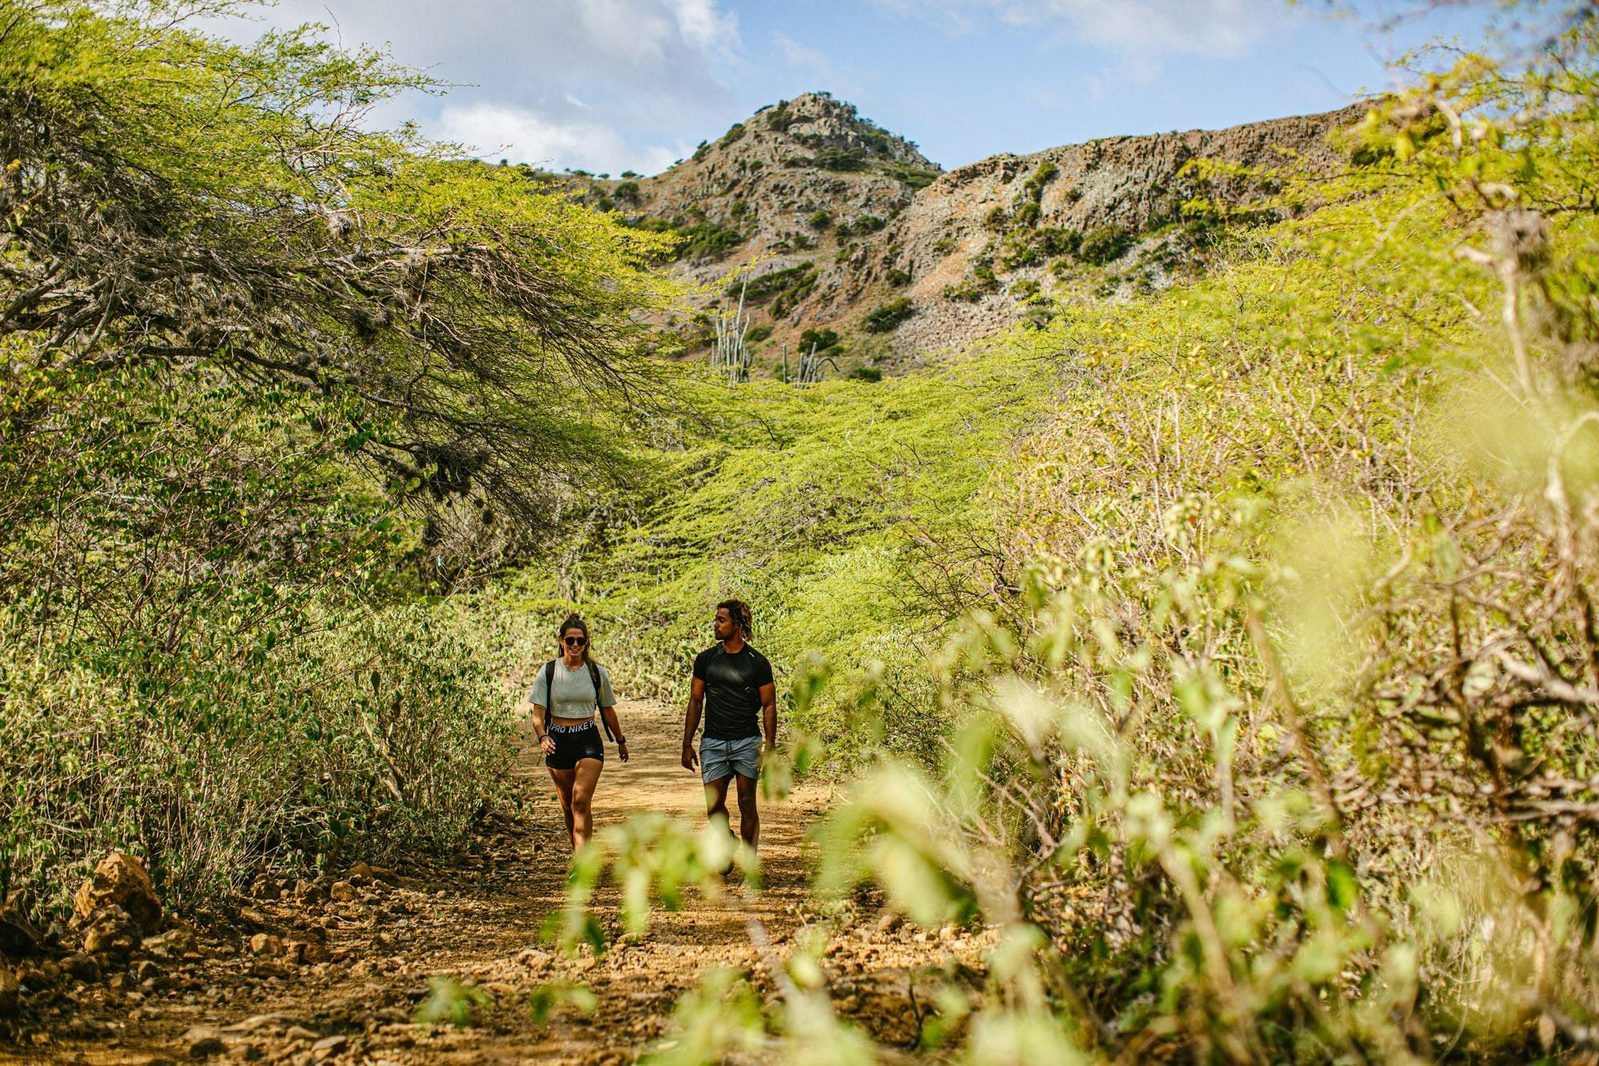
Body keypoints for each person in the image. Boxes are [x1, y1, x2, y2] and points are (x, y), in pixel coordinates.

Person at [682, 599, 776, 850]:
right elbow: (695, 700)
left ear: (737, 624)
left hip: (747, 742)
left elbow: (769, 705)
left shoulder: (757, 662)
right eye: (716, 619)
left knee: (747, 802)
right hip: (713, 742)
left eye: (721, 620)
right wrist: (687, 743)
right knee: (713, 805)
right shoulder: (706, 659)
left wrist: (770, 746)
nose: (715, 625)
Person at [529, 613, 628, 850]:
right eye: (570, 640)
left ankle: (584, 864)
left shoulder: (596, 673)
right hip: (557, 740)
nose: (575, 645)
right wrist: (542, 737)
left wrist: (621, 740)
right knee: (567, 805)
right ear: (561, 641)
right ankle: (578, 851)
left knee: (581, 800)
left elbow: (608, 709)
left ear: (586, 644)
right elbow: (537, 714)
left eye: (580, 641)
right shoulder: (548, 672)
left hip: (587, 739)